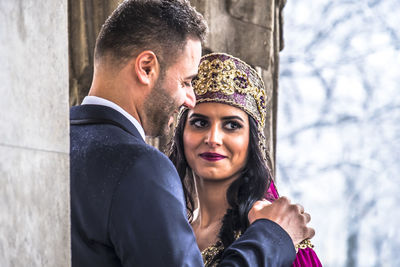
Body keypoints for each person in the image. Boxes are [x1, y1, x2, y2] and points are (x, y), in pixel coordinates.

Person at [70, 1, 314, 266]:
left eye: (232, 125)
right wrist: (272, 238)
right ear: (147, 68)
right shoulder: (139, 167)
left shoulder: (58, 144)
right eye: (186, 82)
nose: (189, 98)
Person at [169, 53, 322, 266]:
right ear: (180, 135)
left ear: (252, 141)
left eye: (232, 125)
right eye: (200, 123)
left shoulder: (279, 230)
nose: (213, 139)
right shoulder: (168, 231)